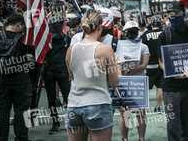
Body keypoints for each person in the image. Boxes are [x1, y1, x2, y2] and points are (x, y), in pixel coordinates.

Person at [65, 10, 120, 141]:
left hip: (74, 104)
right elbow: (114, 83)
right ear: (99, 27)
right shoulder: (106, 50)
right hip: (98, 104)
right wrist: (115, 65)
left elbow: (71, 77)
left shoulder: (70, 50)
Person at [158, 2, 188, 141]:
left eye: (176, 14)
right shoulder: (164, 35)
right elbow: (160, 62)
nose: (173, 17)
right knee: (173, 126)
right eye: (170, 15)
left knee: (187, 125)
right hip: (171, 88)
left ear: (183, 14)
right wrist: (173, 73)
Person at [0, 13, 34, 141]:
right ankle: (21, 138)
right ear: (19, 25)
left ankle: (1, 138)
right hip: (21, 79)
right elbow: (31, 59)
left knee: (2, 112)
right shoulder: (24, 38)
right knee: (22, 111)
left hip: (2, 78)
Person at [119, 21, 150, 141]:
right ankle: (124, 138)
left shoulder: (143, 46)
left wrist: (128, 71)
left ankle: (141, 138)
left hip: (139, 82)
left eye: (134, 31)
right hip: (125, 82)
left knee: (140, 112)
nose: (131, 33)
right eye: (129, 31)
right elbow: (117, 65)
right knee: (124, 112)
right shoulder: (120, 46)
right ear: (125, 32)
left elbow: (144, 65)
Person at [44, 14, 71, 134]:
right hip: (50, 71)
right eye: (55, 24)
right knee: (51, 100)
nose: (58, 26)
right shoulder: (45, 39)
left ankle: (71, 121)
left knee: (68, 98)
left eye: (59, 24)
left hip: (62, 71)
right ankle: (55, 124)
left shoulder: (66, 38)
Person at [141, 14, 164, 113]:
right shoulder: (164, 33)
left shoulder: (146, 34)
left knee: (144, 88)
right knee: (160, 87)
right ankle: (158, 106)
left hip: (148, 65)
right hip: (161, 64)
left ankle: (141, 107)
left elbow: (139, 46)